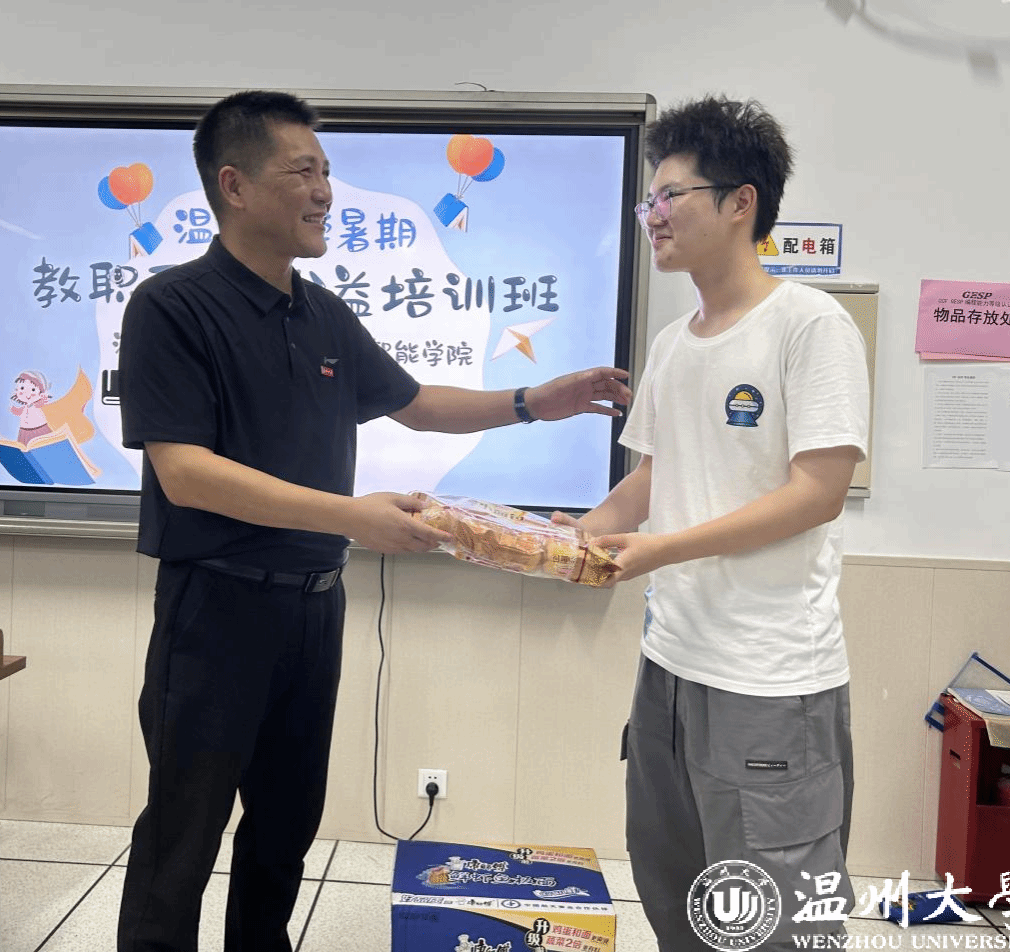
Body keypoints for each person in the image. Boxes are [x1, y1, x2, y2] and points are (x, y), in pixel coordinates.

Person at [115, 89, 631, 952]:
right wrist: (351, 517)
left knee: (285, 825)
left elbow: (416, 403)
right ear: (234, 186)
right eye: (303, 172)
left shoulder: (319, 310)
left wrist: (534, 400)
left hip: (315, 607)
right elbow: (186, 473)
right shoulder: (173, 307)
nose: (325, 191)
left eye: (327, 171)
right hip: (215, 609)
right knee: (183, 832)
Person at [557, 95, 870, 950]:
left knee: (769, 916)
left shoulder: (810, 326)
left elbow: (819, 493)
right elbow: (655, 477)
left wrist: (662, 550)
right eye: (648, 200)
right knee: (674, 888)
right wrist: (570, 539)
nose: (653, 215)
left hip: (768, 679)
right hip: (669, 664)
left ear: (742, 203)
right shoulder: (673, 342)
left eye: (671, 195)